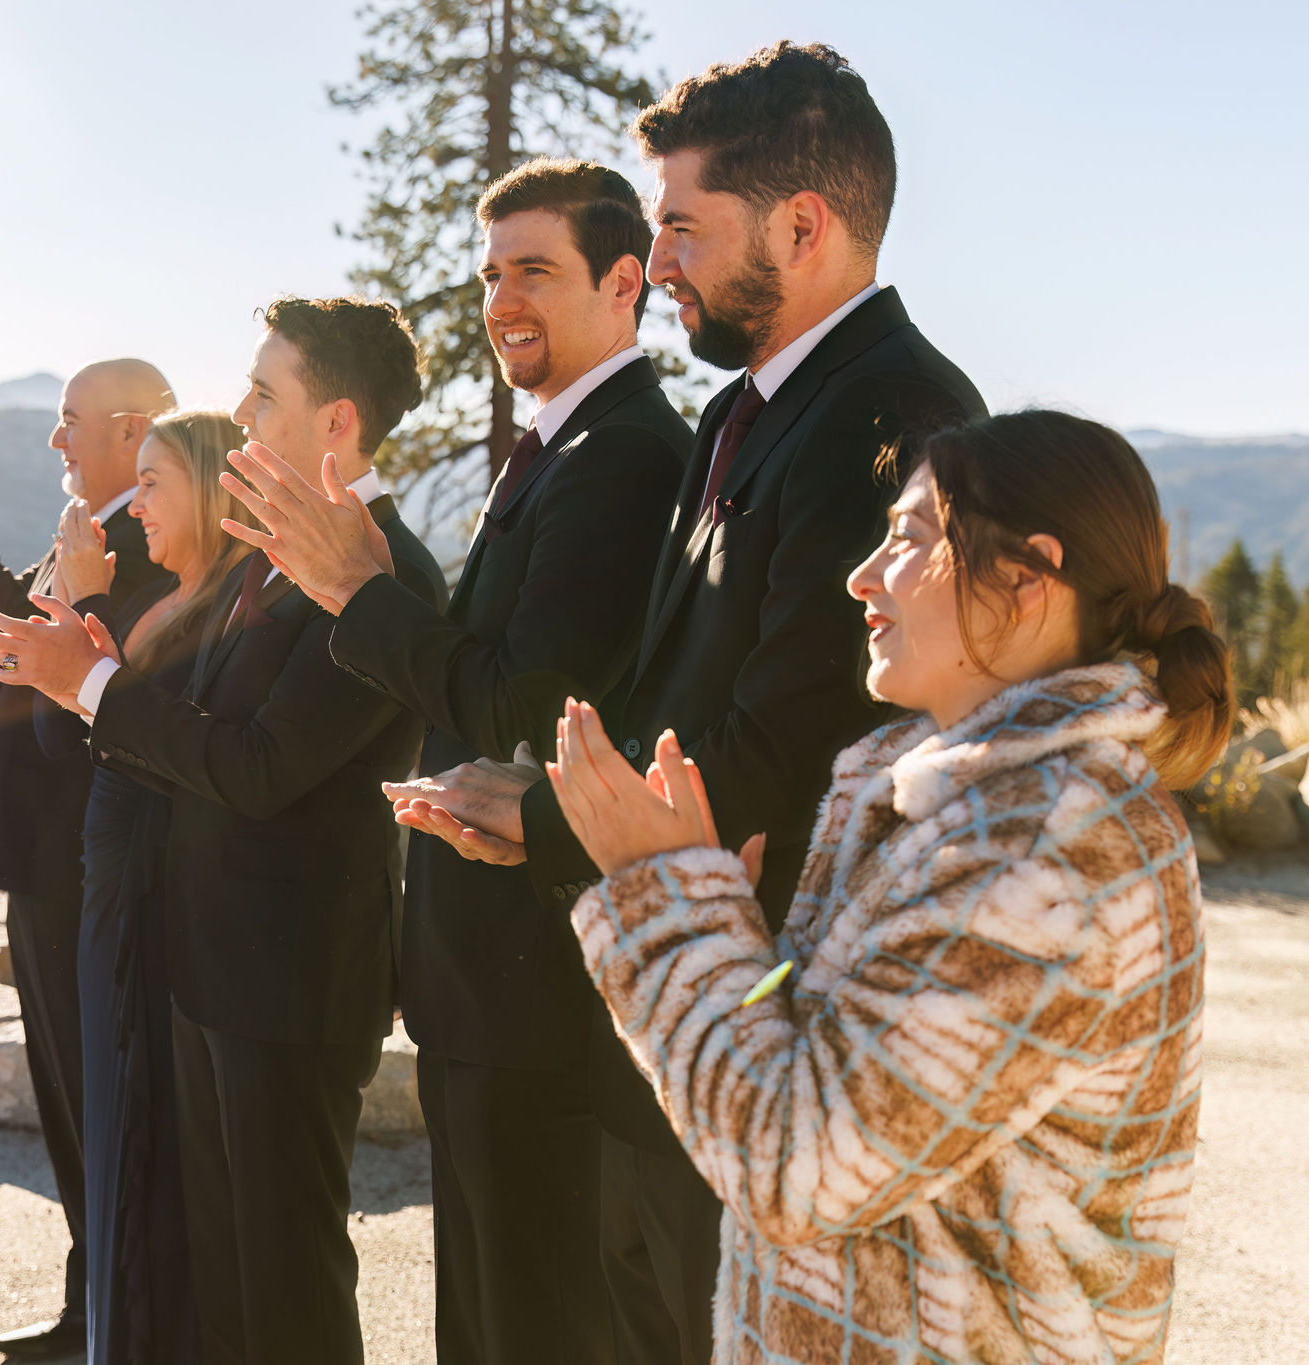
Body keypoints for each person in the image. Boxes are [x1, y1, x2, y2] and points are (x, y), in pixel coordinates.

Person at [384, 43, 985, 1365]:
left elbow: (794, 746)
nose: (659, 266)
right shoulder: (738, 418)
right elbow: (665, 699)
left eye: (680, 230)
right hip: (672, 1016)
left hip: (778, 1032)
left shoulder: (894, 416)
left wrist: (546, 824)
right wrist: (537, 801)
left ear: (804, 226)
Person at [545, 409, 1229, 1364]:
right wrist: (727, 931)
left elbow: (799, 1162)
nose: (863, 577)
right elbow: (837, 1061)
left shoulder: (1039, 855)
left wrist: (667, 912)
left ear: (1026, 580)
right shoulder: (962, 800)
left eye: (907, 538)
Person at [221, 160, 687, 1364]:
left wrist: (358, 594)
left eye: (535, 268)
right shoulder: (558, 445)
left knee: (528, 1325)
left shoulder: (624, 456)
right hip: (481, 979)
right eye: (490, 273)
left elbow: (524, 707)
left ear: (624, 280)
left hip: (533, 984)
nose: (502, 298)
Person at [0, 296, 447, 1365]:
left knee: (285, 1288)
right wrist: (94, 665)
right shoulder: (266, 558)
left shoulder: (382, 574)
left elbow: (258, 768)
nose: (237, 409)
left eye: (263, 392)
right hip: (210, 963)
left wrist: (88, 682)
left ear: (334, 424)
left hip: (288, 981)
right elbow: (201, 734)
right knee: (227, 1278)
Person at [0, 358, 174, 1360]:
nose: (55, 441)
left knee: (98, 1093)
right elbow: (9, 629)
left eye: (70, 421)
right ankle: (88, 1297)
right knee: (67, 1093)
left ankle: (116, 1311)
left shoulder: (150, 535)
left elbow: (85, 666)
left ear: (131, 427)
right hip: (41, 864)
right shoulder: (89, 532)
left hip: (88, 864)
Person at [29, 411, 247, 1365]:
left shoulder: (212, 609)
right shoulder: (174, 600)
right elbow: (69, 732)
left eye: (156, 484)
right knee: (117, 1139)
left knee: (148, 1157)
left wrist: (91, 612)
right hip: (111, 895)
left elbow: (151, 738)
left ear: (207, 488)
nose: (137, 506)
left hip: (155, 908)